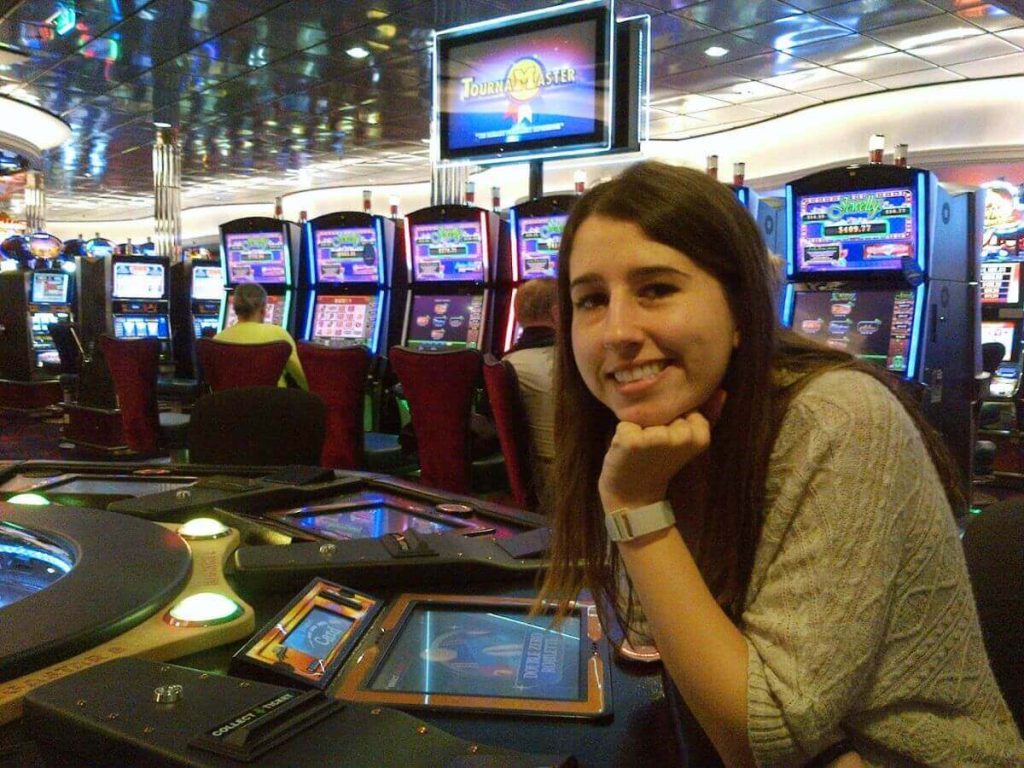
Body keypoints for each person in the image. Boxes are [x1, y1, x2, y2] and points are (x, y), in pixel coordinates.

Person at [538, 161, 1024, 767]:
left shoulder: (838, 418)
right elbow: (649, 633)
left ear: (741, 308)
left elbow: (762, 740)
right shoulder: (662, 432)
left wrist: (636, 509)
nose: (617, 331)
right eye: (591, 300)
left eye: (656, 289)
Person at [503, 278, 557, 492]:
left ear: (516, 316)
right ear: (556, 313)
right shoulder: (574, 362)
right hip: (569, 475)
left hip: (529, 475)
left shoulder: (508, 362)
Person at [213, 283, 308, 390]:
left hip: (229, 404)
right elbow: (303, 378)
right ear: (263, 310)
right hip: (272, 403)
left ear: (235, 310)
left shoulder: (217, 340)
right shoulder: (278, 335)